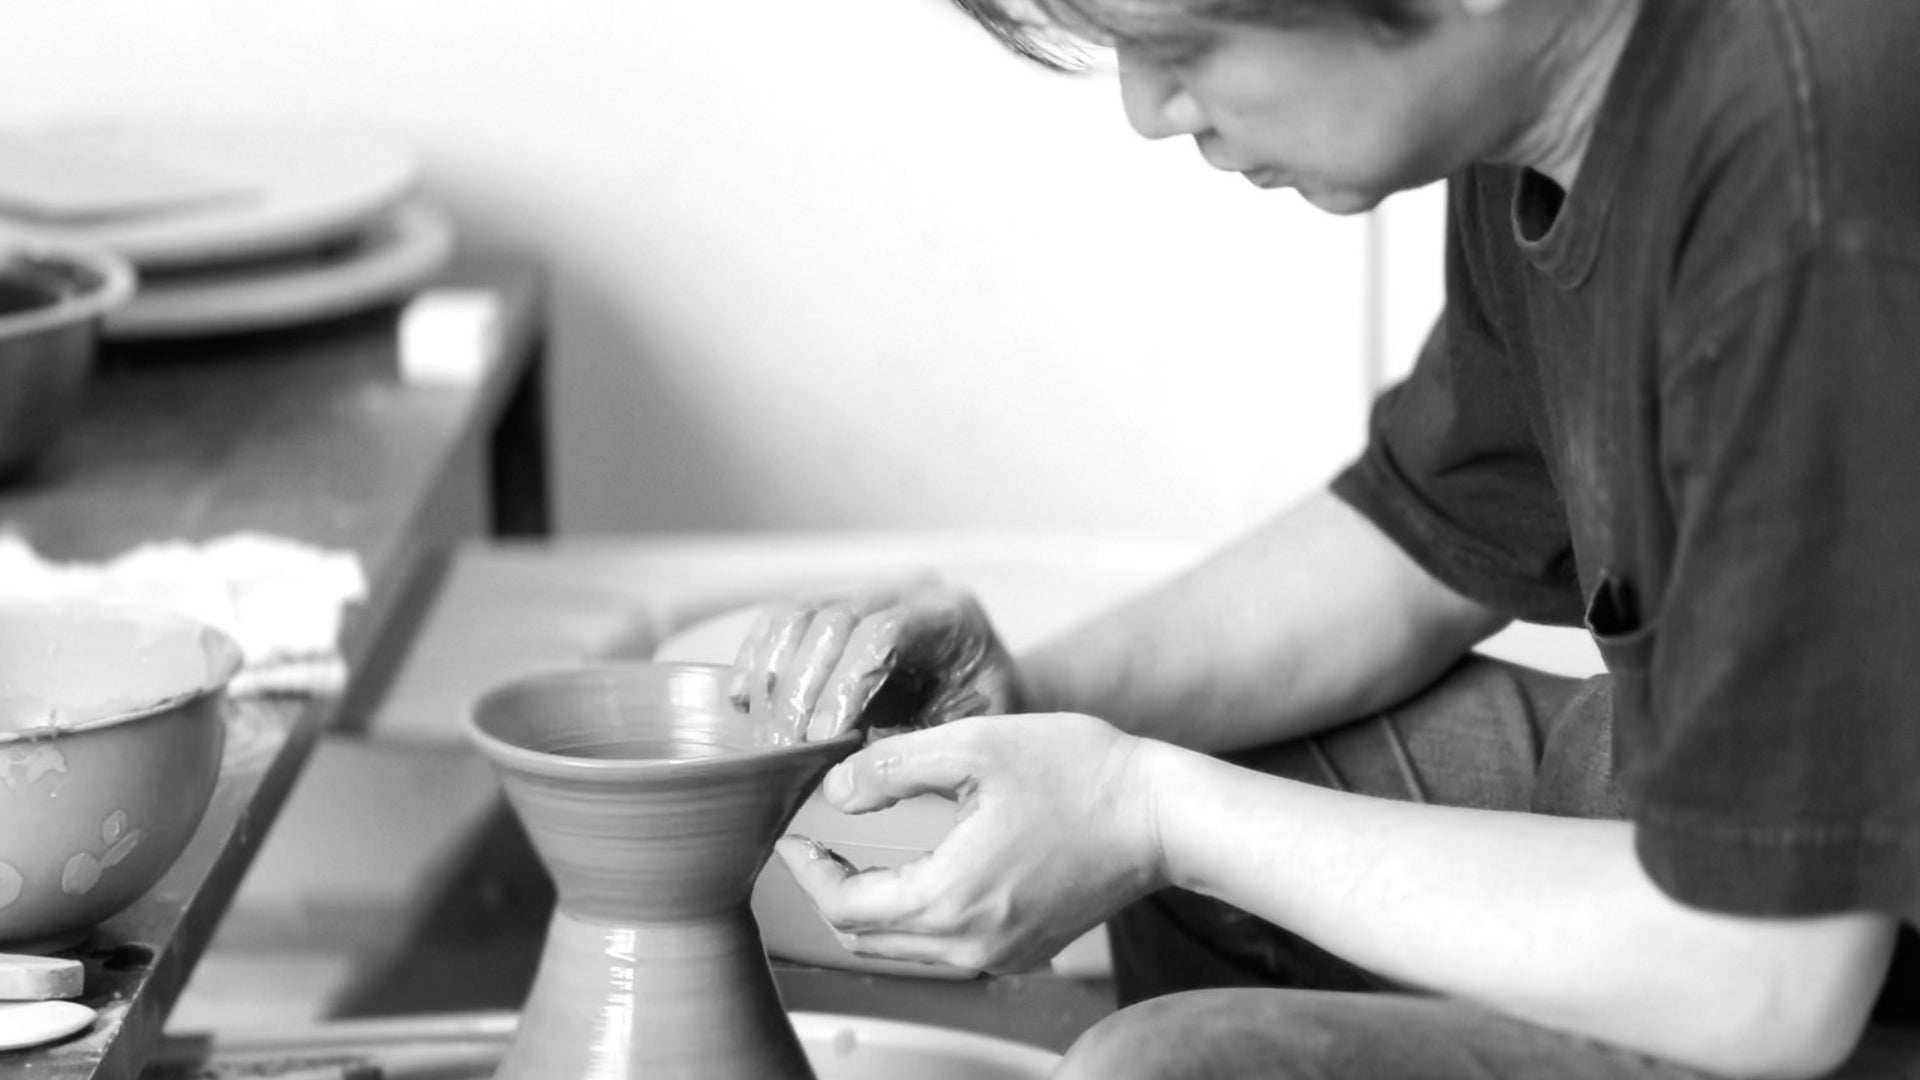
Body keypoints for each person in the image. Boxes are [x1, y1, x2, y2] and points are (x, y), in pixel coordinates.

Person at [727, 0, 1920, 1075]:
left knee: (1166, 1066)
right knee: (1213, 776)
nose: (1148, 108)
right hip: (1743, 838)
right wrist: (1037, 698)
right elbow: (1430, 539)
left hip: (1794, 947)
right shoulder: (1555, 111)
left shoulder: (1809, 186)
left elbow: (1771, 974)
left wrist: (1152, 814)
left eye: (1186, 45)